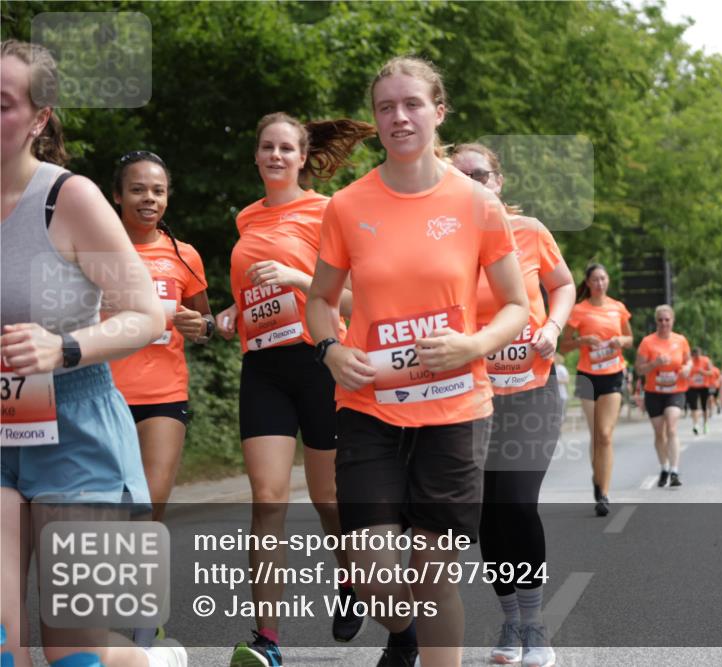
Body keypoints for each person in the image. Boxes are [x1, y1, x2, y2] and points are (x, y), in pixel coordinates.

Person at [306, 57, 529, 667]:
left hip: (454, 408)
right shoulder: (347, 206)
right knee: (373, 574)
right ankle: (401, 630)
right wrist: (331, 349)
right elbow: (320, 301)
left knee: (435, 576)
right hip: (369, 407)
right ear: (376, 119)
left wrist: (473, 346)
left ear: (438, 111)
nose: (399, 117)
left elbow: (516, 305)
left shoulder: (476, 203)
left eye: (412, 104)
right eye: (386, 107)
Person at [0, 39, 184, 667]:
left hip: (78, 429)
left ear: (39, 118)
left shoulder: (68, 199)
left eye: (2, 104)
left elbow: (146, 315)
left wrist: (64, 346)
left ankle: (157, 660)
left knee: (72, 653)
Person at [216, 111, 374, 666]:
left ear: (304, 158)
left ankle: (352, 580)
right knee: (267, 500)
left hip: (319, 362)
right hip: (263, 368)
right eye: (267, 147)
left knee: (328, 499)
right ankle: (268, 639)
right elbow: (256, 287)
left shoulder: (329, 211)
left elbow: (358, 298)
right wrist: (234, 310)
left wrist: (299, 281)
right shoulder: (247, 217)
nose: (276, 156)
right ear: (257, 155)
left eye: (287, 148)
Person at [451, 142, 574, 667]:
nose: (473, 183)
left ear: (498, 182)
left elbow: (563, 284)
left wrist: (552, 326)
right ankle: (510, 623)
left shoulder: (530, 232)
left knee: (518, 504)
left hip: (533, 392)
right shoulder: (445, 243)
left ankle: (536, 627)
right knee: (487, 517)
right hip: (474, 398)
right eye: (461, 177)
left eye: (481, 174)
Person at [108, 151, 212, 527]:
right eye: (137, 190)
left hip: (163, 397)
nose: (149, 198)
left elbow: (207, 323)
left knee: (148, 510)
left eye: (158, 190)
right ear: (117, 196)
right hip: (101, 395)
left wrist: (200, 327)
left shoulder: (184, 256)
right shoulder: (89, 251)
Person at [560, 263, 633, 517]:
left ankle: (603, 493)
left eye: (603, 279)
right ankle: (598, 478)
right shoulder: (579, 310)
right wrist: (582, 340)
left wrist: (619, 341)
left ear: (608, 280)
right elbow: (564, 346)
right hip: (587, 377)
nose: (600, 283)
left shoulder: (618, 308)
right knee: (595, 437)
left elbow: (629, 339)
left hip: (612, 373)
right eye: (595, 280)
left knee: (605, 435)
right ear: (588, 283)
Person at [635, 305, 690, 488]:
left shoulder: (680, 340)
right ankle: (664, 467)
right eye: (660, 320)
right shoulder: (647, 342)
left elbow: (688, 360)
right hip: (654, 392)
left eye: (667, 320)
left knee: (672, 427)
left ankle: (674, 471)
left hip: (675, 390)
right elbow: (639, 369)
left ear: (672, 320)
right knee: (659, 432)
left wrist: (687, 369)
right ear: (656, 321)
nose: (664, 323)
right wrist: (655, 363)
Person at [686, 347, 711, 435]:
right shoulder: (690, 361)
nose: (697, 357)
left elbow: (711, 372)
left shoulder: (706, 360)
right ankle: (695, 425)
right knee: (694, 406)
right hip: (692, 386)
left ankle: (705, 424)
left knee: (704, 406)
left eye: (698, 355)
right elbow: (686, 372)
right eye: (695, 355)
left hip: (704, 386)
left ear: (700, 354)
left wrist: (703, 372)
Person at [554, 354, 570, 418]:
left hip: (561, 394)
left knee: (560, 413)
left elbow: (567, 380)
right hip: (554, 394)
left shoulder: (561, 368)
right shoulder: (552, 368)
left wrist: (556, 381)